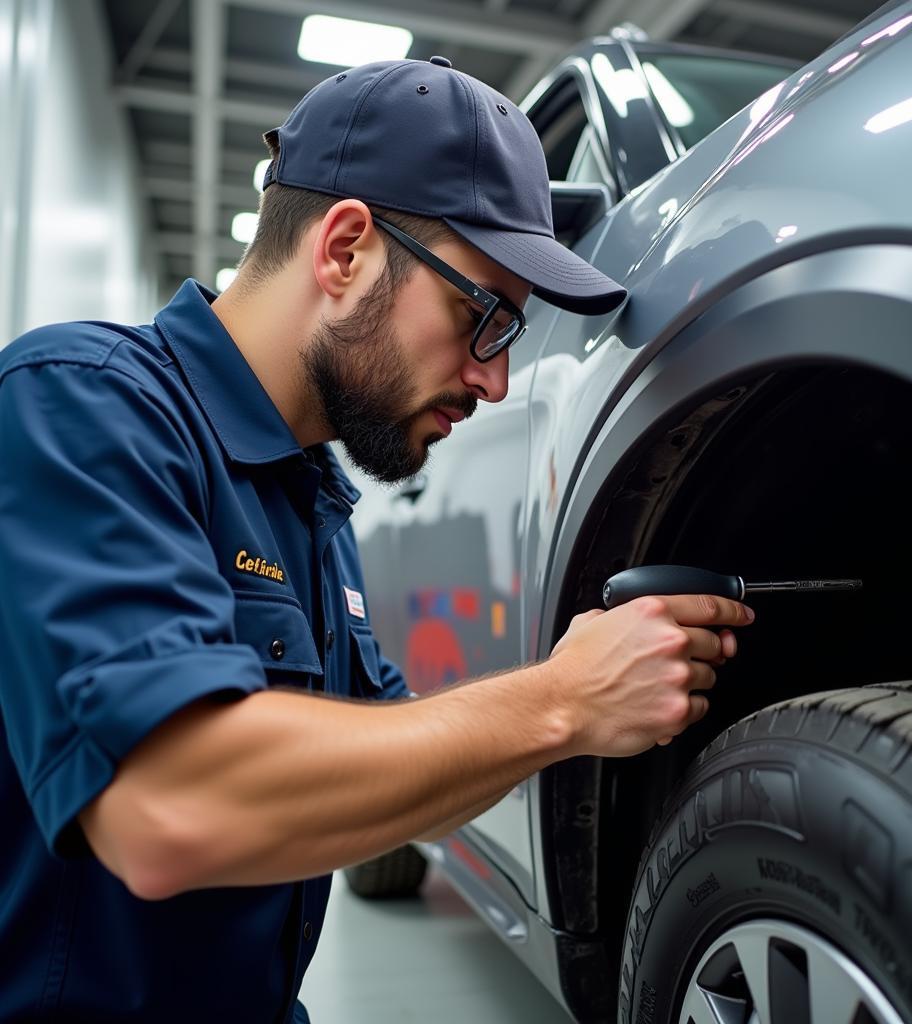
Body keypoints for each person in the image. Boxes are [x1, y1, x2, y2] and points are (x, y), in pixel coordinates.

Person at [0, 57, 753, 1022]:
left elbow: (399, 769)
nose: (495, 382)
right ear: (346, 248)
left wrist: (581, 695)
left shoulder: (315, 499)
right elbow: (167, 808)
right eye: (484, 316)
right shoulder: (85, 404)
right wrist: (561, 701)